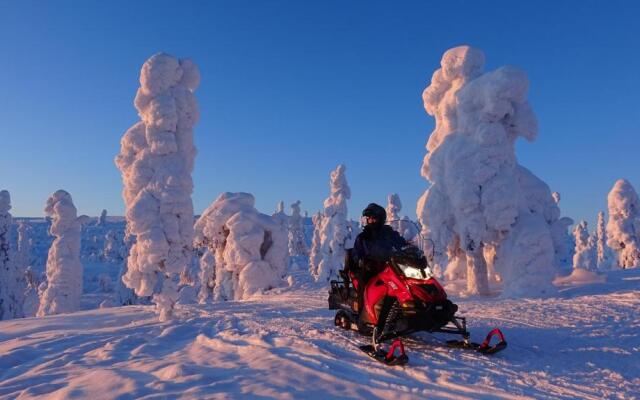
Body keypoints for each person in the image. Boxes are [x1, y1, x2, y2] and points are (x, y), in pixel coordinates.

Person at [349, 203, 408, 314]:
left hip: (389, 266)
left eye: (373, 218)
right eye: (369, 218)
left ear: (380, 219)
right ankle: (363, 312)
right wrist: (363, 261)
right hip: (370, 268)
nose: (370, 220)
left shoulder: (388, 233)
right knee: (365, 282)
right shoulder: (363, 237)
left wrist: (410, 249)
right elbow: (356, 254)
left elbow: (401, 244)